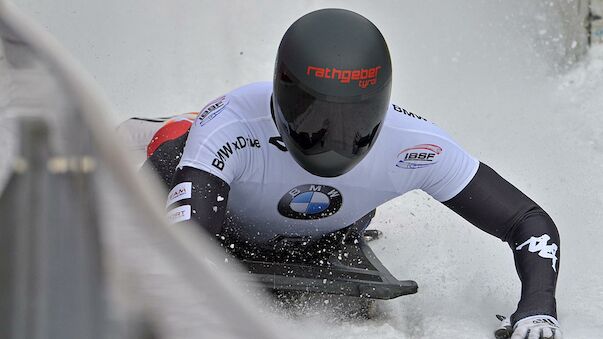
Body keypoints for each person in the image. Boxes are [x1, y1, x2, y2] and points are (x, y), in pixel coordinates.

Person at [125, 8, 562, 339]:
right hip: (202, 182)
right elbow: (183, 257)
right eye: (315, 116)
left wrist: (538, 305)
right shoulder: (231, 124)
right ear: (282, 93)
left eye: (355, 121)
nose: (333, 140)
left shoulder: (415, 144)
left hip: (322, 228)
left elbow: (526, 220)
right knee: (155, 152)